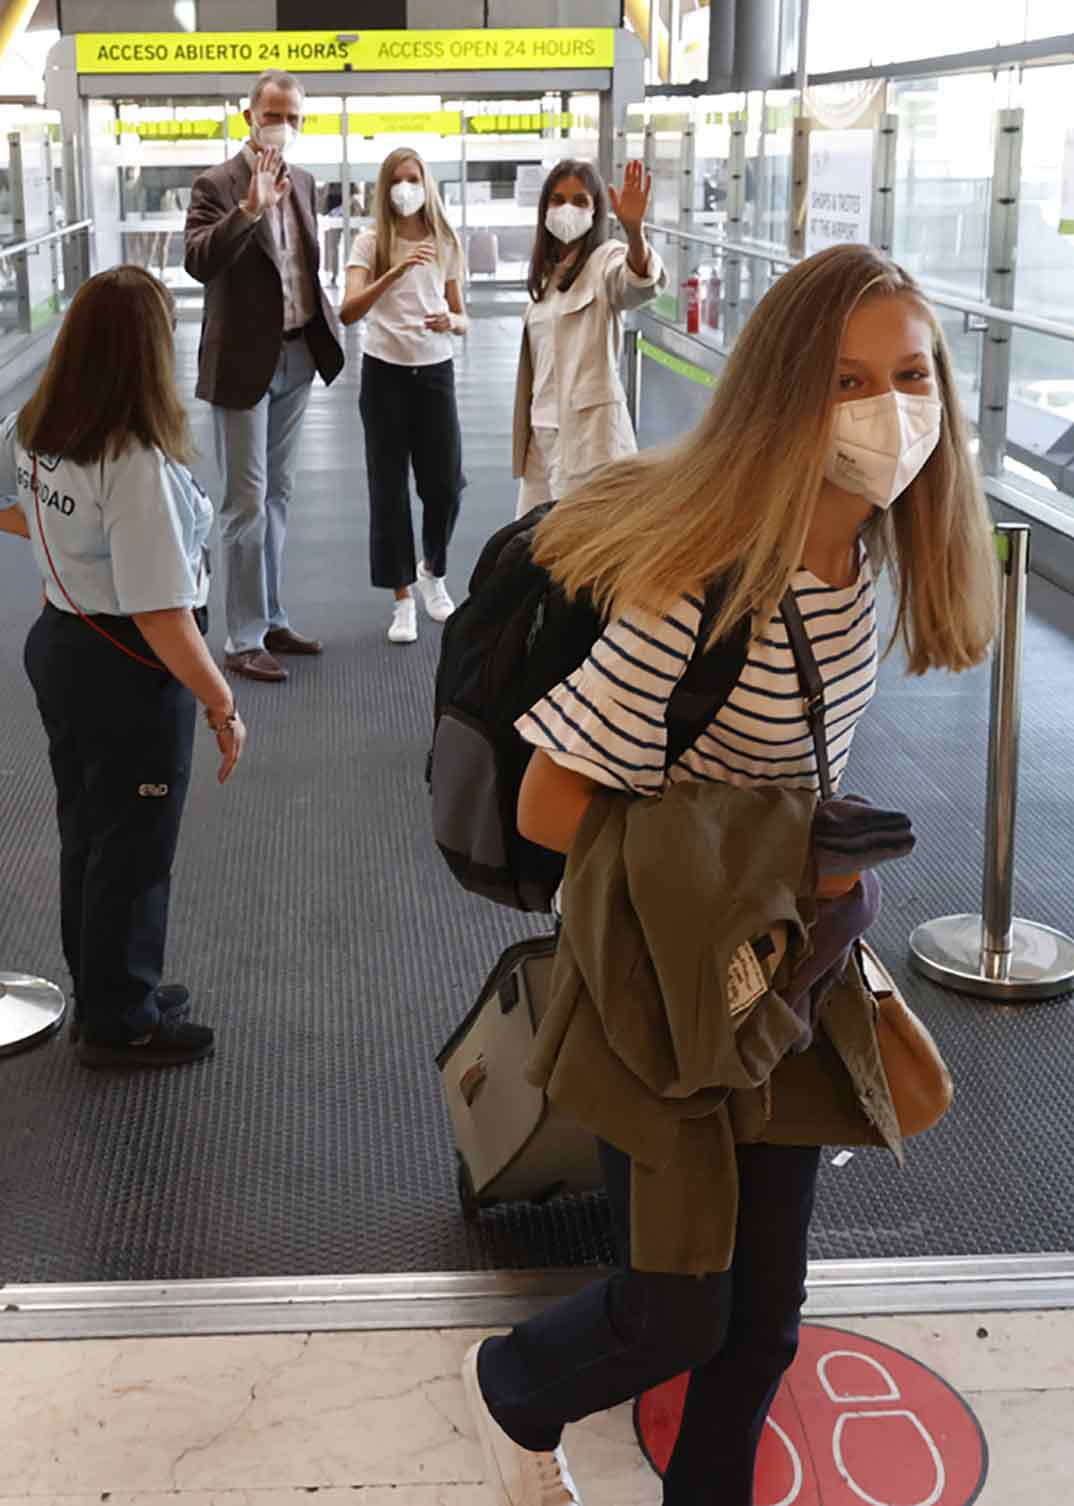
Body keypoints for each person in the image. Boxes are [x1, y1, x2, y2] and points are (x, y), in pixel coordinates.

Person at [460, 242, 999, 1506]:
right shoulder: (697, 589)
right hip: (659, 994)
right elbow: (549, 803)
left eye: (911, 374)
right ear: (779, 396)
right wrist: (732, 862)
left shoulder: (859, 568)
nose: (890, 409)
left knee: (764, 1317)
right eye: (847, 380)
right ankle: (512, 1392)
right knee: (677, 1310)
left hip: (780, 983)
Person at [0, 266, 247, 1070]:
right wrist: (220, 702)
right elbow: (160, 612)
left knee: (90, 828)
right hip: (126, 665)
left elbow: (16, 508)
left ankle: (108, 982)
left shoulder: (33, 424)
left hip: (62, 646)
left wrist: (62, 553)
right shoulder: (134, 461)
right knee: (135, 844)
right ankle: (121, 1018)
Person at [184, 69, 344, 683]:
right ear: (249, 115)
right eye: (274, 112)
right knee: (245, 503)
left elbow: (301, 263)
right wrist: (250, 211)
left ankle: (272, 616)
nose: (285, 124)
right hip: (242, 363)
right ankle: (242, 638)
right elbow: (199, 260)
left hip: (298, 353)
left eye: (295, 115)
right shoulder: (216, 184)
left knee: (278, 497)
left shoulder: (302, 180)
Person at [341, 147, 467, 645]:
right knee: (388, 488)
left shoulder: (446, 241)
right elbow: (349, 310)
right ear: (383, 187)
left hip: (435, 372)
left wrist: (451, 322)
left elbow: (463, 315)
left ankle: (433, 569)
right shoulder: (370, 241)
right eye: (396, 180)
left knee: (446, 484)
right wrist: (393, 272)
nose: (406, 188)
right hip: (385, 374)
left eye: (413, 178)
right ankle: (401, 598)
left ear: (427, 182)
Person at [513, 158, 667, 519]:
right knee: (530, 549)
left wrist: (634, 233)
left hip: (591, 441)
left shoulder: (605, 260)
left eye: (580, 201)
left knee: (588, 551)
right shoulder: (546, 280)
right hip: (542, 436)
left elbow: (638, 284)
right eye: (558, 199)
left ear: (596, 210)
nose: (567, 209)